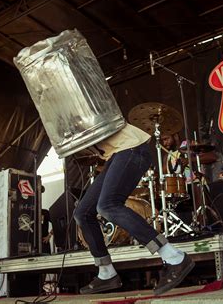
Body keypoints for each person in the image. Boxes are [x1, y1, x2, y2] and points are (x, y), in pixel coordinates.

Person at [74, 124, 194, 295]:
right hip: (115, 155)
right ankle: (106, 272)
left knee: (108, 205)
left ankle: (175, 257)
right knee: (82, 213)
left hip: (131, 147)